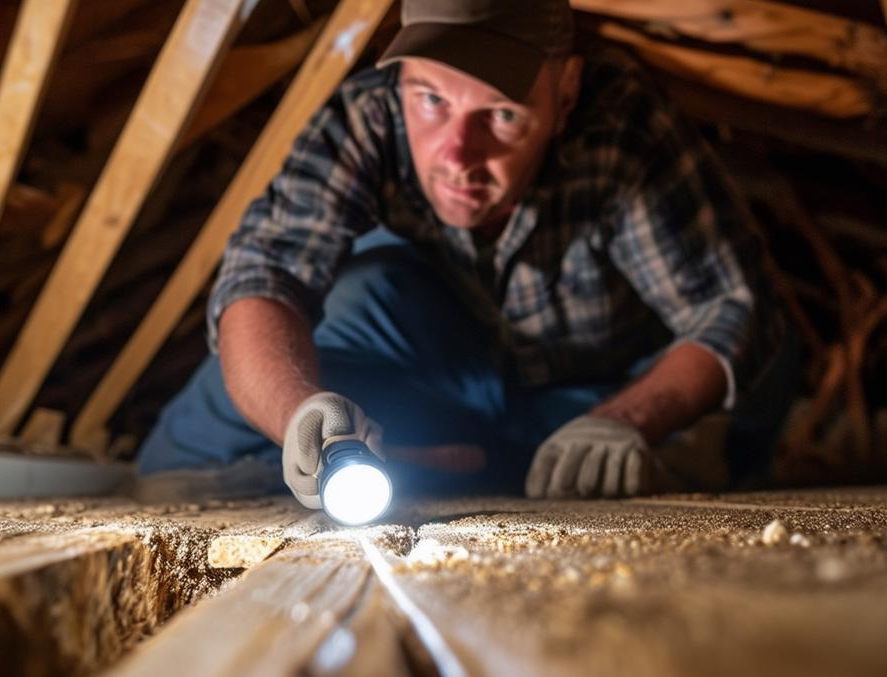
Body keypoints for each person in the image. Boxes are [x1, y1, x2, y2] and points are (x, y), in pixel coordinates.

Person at [134, 0, 797, 507]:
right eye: (432, 100)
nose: (457, 155)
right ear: (401, 80)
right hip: (437, 370)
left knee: (756, 371)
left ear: (565, 92)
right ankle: (457, 460)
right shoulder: (368, 116)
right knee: (186, 456)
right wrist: (299, 415)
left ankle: (606, 461)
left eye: (502, 115)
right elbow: (266, 271)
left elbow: (730, 305)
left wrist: (627, 420)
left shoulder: (621, 127)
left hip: (589, 392)